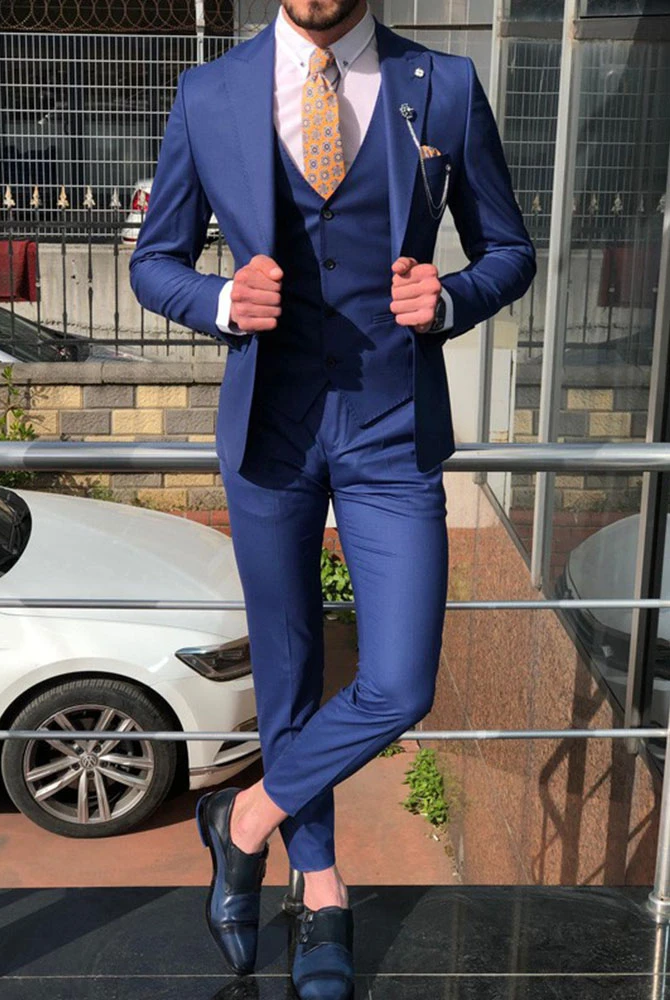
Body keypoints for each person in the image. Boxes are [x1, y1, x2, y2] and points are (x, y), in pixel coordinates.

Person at [129, 0, 536, 994]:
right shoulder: (211, 91)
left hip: (391, 425)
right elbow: (153, 263)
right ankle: (320, 891)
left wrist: (450, 298)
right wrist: (221, 301)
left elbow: (510, 250)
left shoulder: (443, 84)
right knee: (289, 669)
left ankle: (244, 818)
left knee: (399, 682)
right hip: (270, 429)